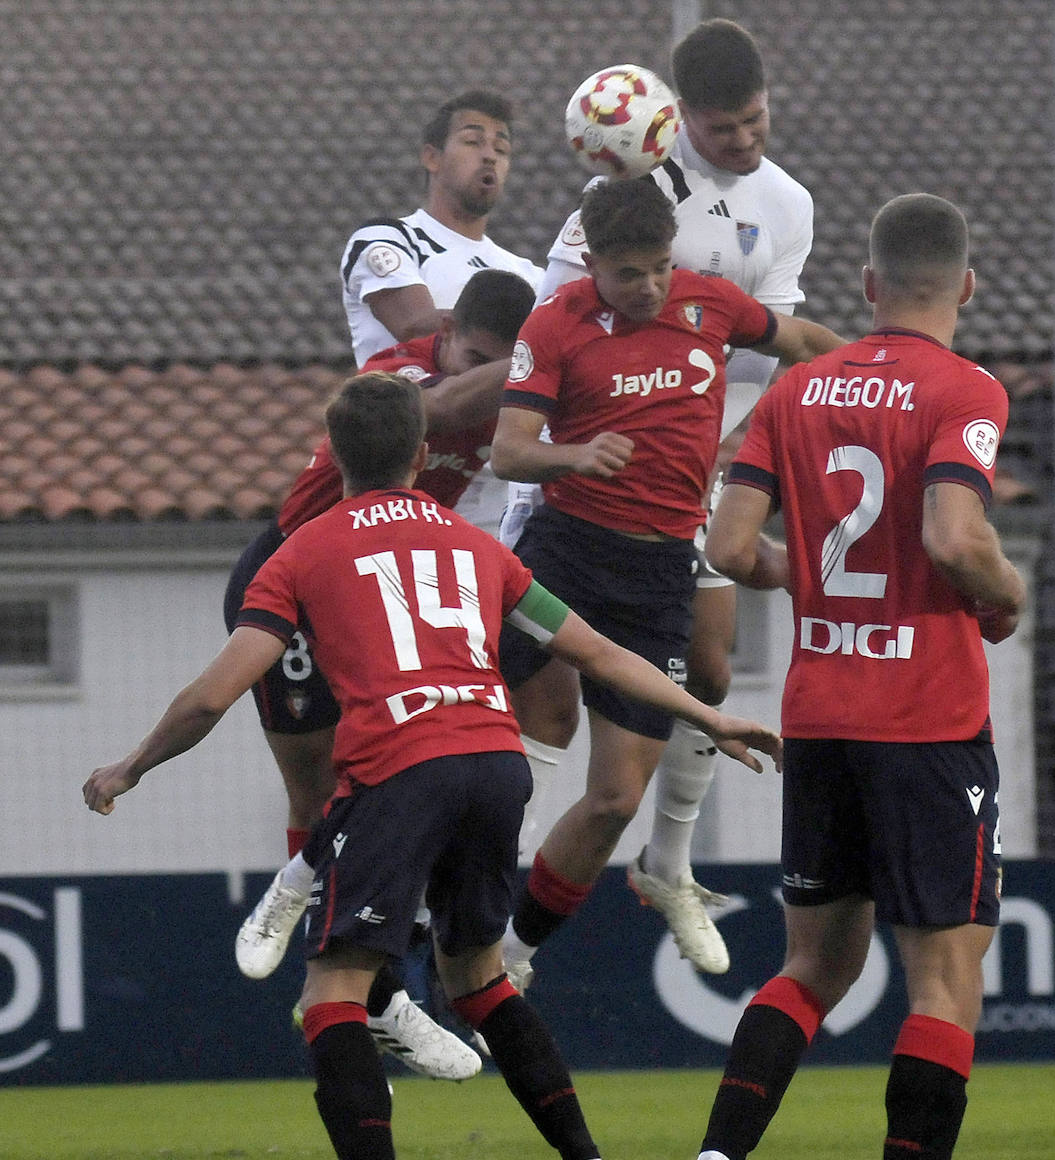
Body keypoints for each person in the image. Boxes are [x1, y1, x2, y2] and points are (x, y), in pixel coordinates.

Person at [84, 371, 781, 1160]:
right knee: (479, 979)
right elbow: (595, 650)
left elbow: (215, 694)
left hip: (402, 772)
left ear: (331, 455)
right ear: (422, 454)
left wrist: (131, 766)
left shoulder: (303, 551)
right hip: (494, 763)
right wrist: (708, 714)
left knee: (332, 994)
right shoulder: (479, 547)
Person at [693, 194, 1024, 1160]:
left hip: (824, 718)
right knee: (944, 982)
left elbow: (726, 545)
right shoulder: (966, 390)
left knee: (810, 967)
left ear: (870, 286)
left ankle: (718, 1155)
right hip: (927, 725)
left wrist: (820, 580)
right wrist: (1003, 592)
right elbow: (954, 539)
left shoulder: (796, 392)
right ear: (964, 285)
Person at [509, 17, 815, 975]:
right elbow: (560, 328)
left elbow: (785, 338)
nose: (745, 142)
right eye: (725, 131)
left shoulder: (786, 202)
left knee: (712, 677)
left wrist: (745, 437)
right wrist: (568, 448)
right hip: (591, 489)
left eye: (756, 122)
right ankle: (473, 888)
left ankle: (669, 863)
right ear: (680, 123)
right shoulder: (625, 196)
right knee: (546, 711)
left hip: (714, 468)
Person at [225, 269, 535, 1080]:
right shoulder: (401, 372)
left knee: (406, 776)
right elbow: (438, 408)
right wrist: (545, 348)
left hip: (380, 587)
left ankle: (368, 980)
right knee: (326, 788)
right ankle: (370, 984)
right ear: (449, 331)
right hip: (294, 577)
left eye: (493, 361)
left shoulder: (511, 393)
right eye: (469, 353)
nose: (474, 372)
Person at [340, 88, 543, 533]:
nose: (489, 156)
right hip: (400, 493)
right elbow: (414, 325)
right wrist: (542, 342)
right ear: (432, 157)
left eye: (501, 148)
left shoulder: (529, 275)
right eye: (473, 142)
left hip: (498, 509)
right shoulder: (389, 240)